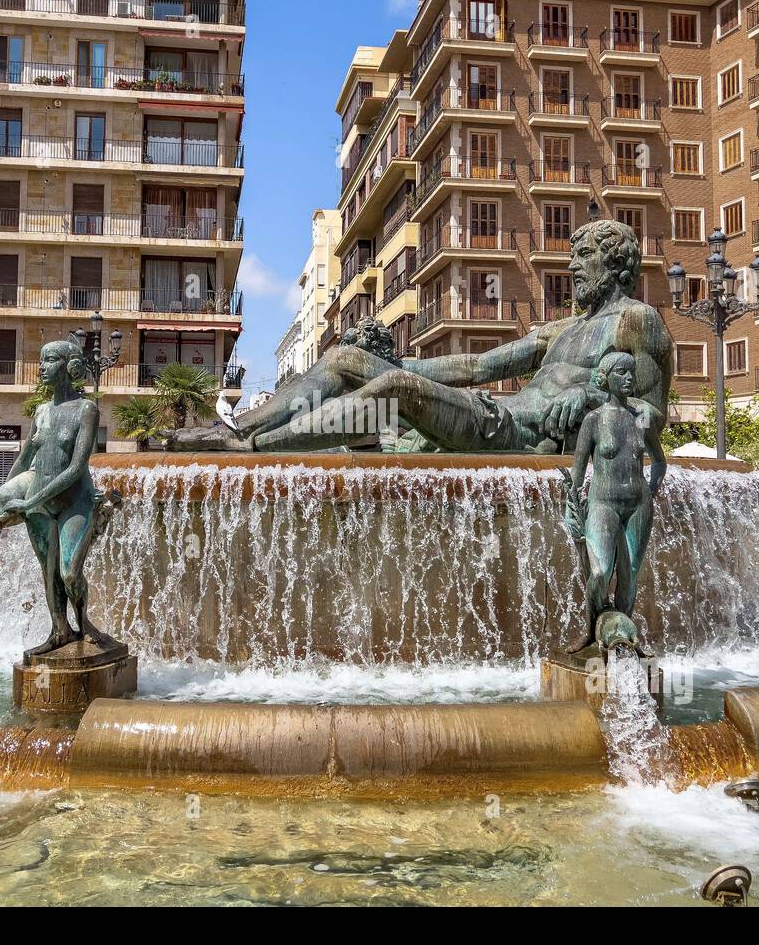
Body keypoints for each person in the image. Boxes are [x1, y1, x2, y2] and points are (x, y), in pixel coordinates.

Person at [168, 218, 672, 454]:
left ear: (616, 262)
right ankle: (239, 430)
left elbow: (651, 418)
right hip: (487, 414)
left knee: (395, 393)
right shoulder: (564, 329)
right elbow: (478, 368)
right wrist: (393, 365)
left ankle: (256, 449)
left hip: (516, 435)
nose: (573, 269)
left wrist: (590, 402)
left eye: (583, 259)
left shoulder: (637, 322)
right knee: (347, 357)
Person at [0, 338, 115, 657]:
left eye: (50, 360)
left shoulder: (86, 409)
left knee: (69, 573)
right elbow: (26, 458)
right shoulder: (41, 411)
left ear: (70, 367)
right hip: (39, 501)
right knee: (49, 571)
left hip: (74, 501)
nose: (42, 367)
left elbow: (76, 467)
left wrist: (28, 502)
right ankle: (59, 630)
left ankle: (85, 624)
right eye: (41, 361)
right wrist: (1, 498)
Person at [566, 352, 666, 652]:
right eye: (622, 372)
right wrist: (573, 508)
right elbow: (578, 471)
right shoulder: (593, 420)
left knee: (630, 574)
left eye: (632, 372)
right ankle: (589, 629)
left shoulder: (642, 419)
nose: (630, 378)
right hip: (603, 503)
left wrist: (653, 487)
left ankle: (624, 636)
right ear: (606, 377)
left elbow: (660, 461)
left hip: (639, 504)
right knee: (599, 573)